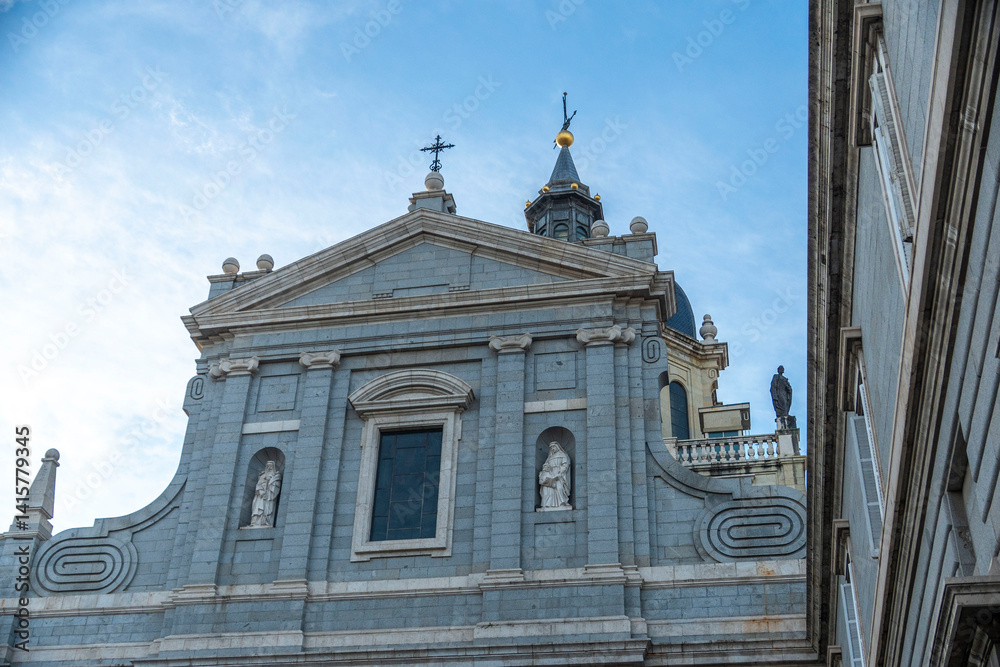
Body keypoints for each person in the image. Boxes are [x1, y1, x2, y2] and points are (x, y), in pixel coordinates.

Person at [539, 442, 571, 510]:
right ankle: (549, 504)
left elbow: (565, 465)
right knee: (549, 490)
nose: (552, 449)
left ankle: (562, 503)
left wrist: (560, 472)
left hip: (559, 474)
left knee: (559, 488)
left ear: (557, 446)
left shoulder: (563, 455)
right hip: (551, 474)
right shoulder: (550, 457)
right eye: (551, 448)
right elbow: (546, 466)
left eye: (553, 447)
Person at [249, 460, 282, 527]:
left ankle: (266, 522)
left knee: (267, 509)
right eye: (268, 466)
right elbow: (258, 485)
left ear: (273, 467)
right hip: (260, 496)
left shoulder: (275, 476)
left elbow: (276, 487)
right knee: (257, 509)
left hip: (269, 496)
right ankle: (255, 523)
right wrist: (261, 491)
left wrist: (271, 484)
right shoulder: (262, 476)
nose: (269, 467)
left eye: (271, 466)